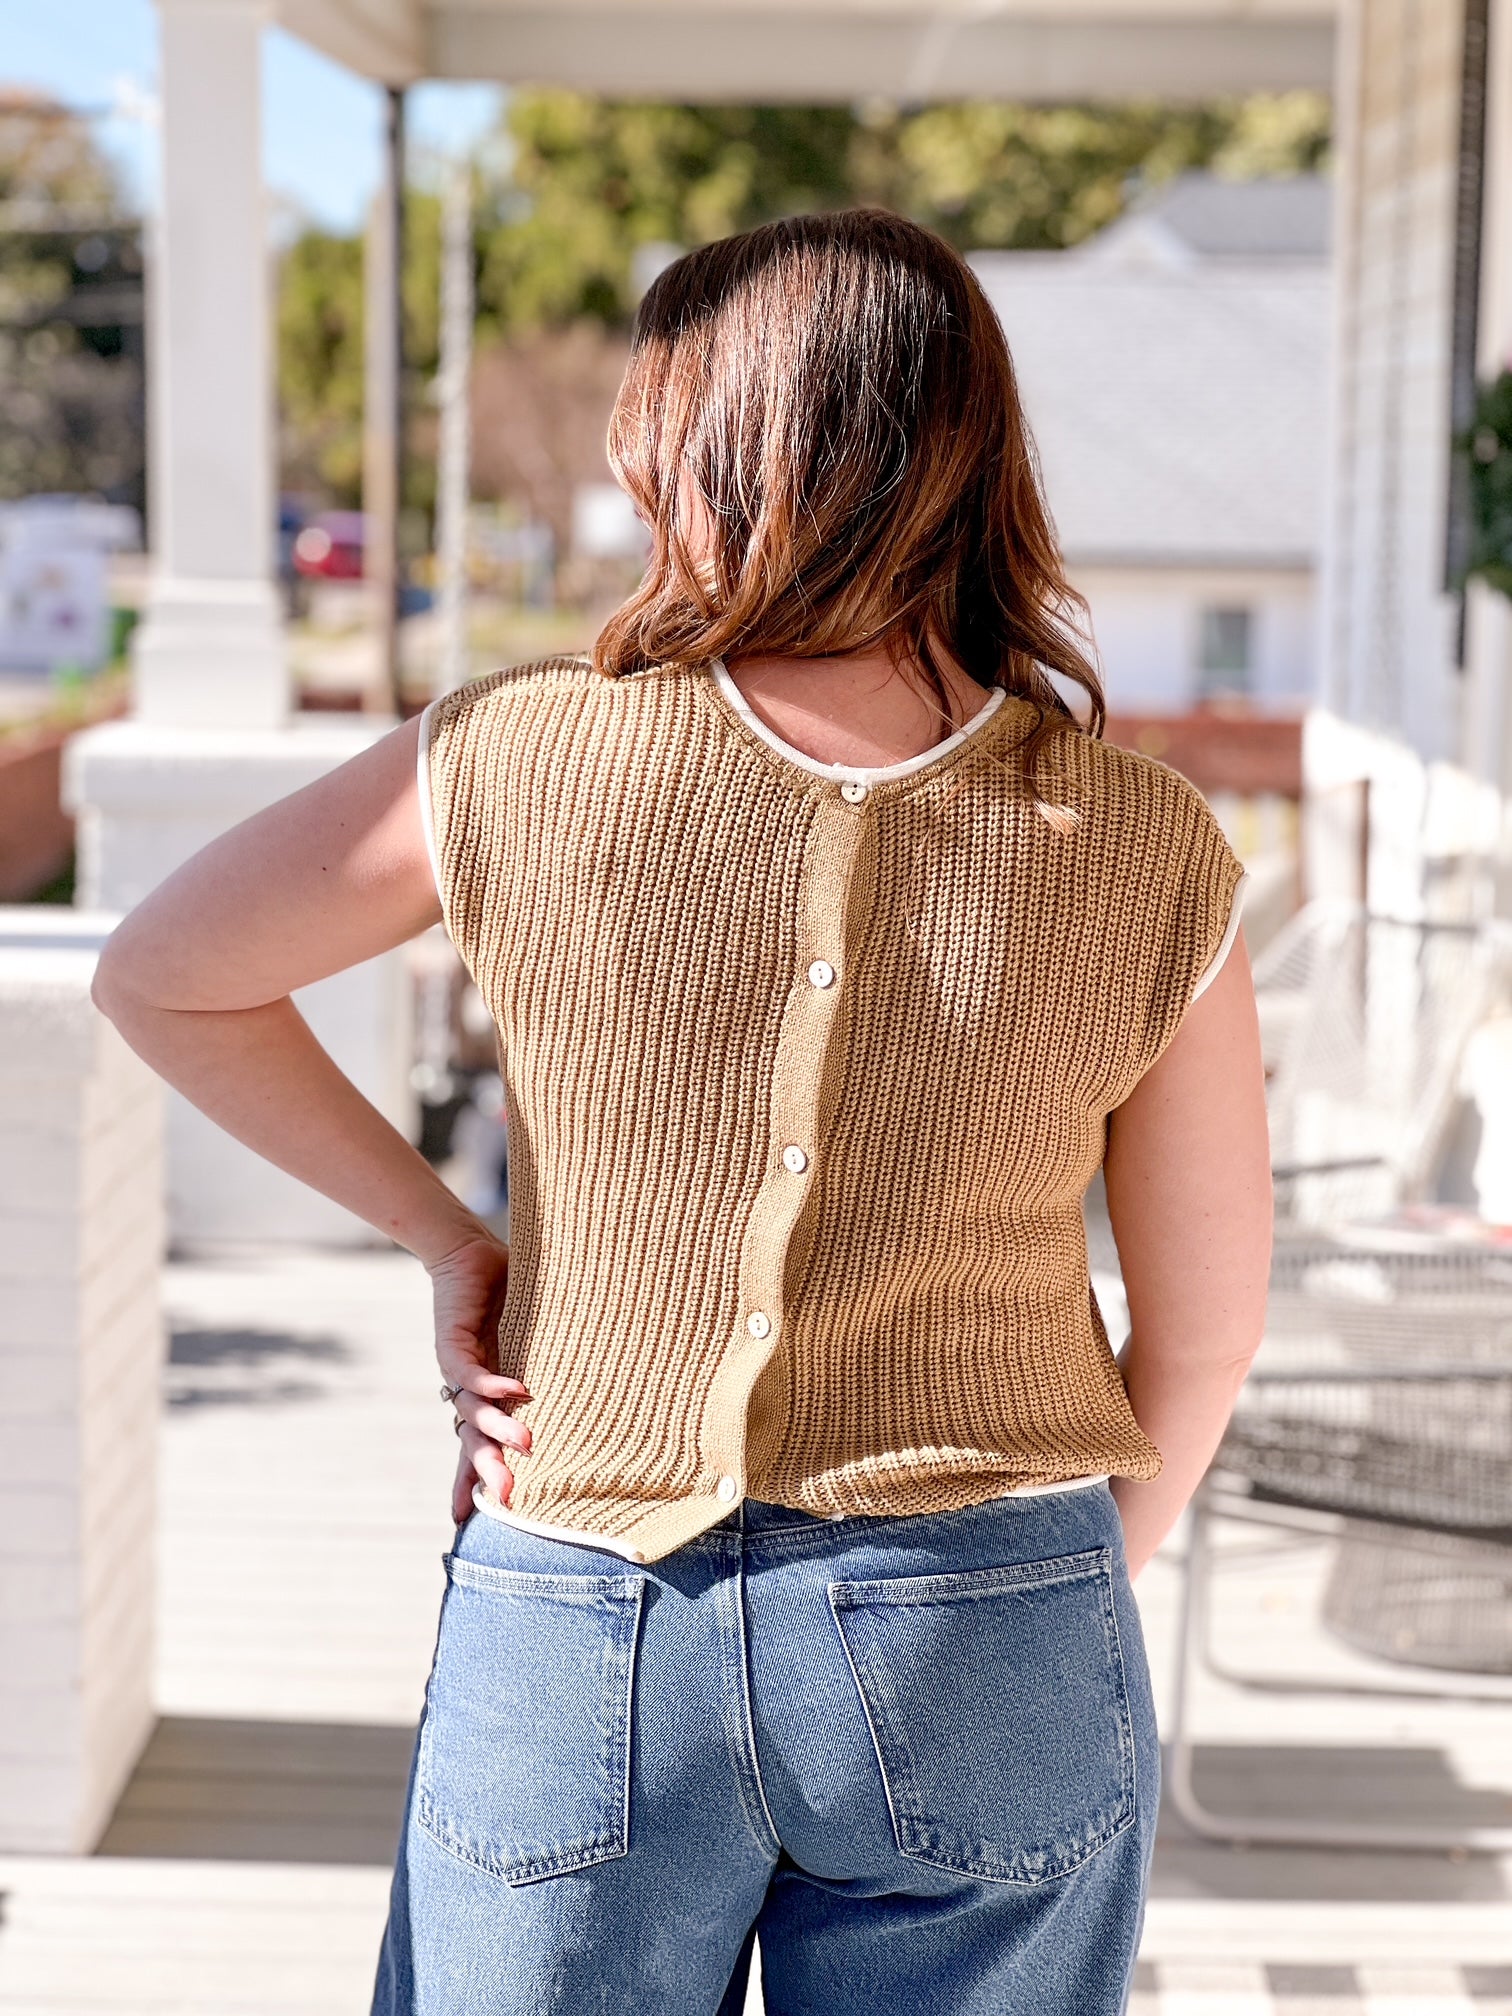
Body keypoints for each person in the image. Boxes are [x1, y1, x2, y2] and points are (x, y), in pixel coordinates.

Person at [92, 208, 1272, 2016]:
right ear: (967, 456)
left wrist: (449, 1238)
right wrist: (1037, 1597)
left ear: (692, 450)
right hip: (993, 1612)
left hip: (581, 1601)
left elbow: (165, 969)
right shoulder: (1144, 842)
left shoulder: (520, 753)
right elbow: (1204, 1336)